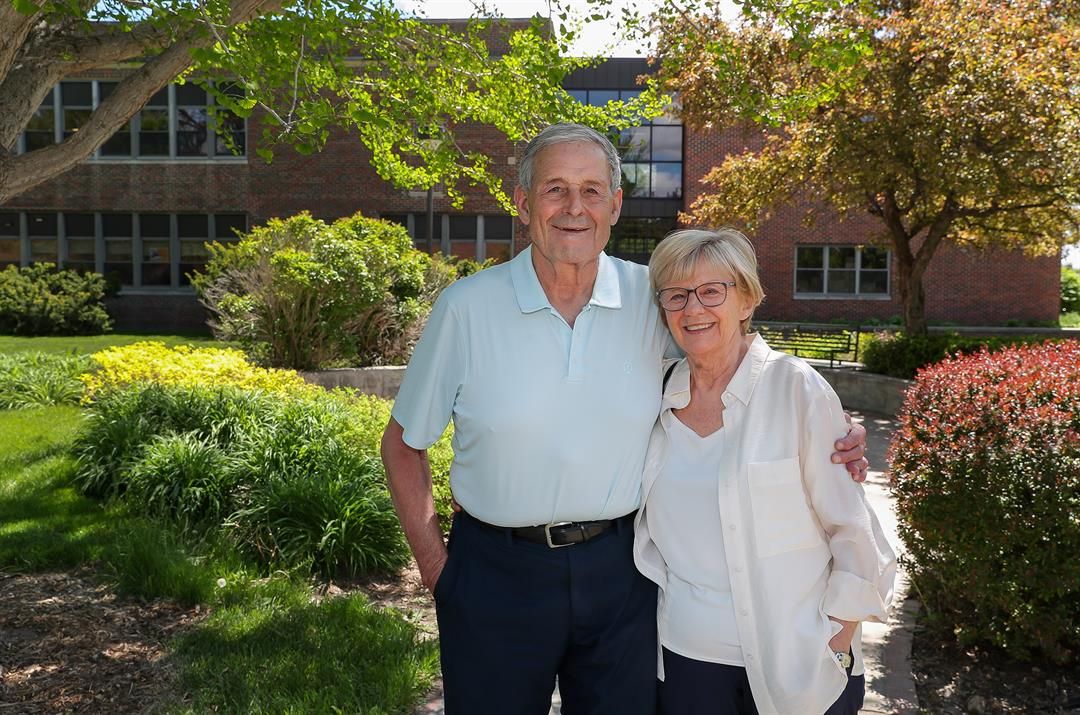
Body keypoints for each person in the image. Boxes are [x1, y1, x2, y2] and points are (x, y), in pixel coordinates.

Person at [380, 123, 869, 714]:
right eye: (554, 189)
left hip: (623, 574)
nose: (574, 208)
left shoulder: (653, 297)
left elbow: (728, 355)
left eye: (591, 190)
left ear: (615, 204)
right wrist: (440, 573)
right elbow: (403, 445)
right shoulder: (465, 308)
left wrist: (821, 425)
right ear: (522, 202)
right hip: (495, 574)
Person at [635, 228, 896, 715]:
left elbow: (853, 531)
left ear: (746, 299)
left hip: (799, 664)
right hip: (689, 659)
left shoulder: (795, 389)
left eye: (713, 291)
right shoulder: (652, 398)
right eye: (676, 295)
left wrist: (836, 642)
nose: (694, 309)